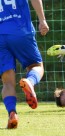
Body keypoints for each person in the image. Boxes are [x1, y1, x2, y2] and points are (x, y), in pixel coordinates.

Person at [0, 0, 49, 129]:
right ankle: (30, 81)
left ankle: (12, 113)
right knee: (36, 66)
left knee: (7, 81)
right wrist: (42, 20)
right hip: (20, 30)